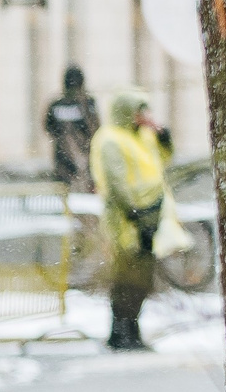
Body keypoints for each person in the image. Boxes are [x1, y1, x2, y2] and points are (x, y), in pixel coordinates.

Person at [91, 89, 169, 352]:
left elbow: (161, 161)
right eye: (139, 110)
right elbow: (115, 181)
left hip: (148, 217)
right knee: (126, 276)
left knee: (142, 277)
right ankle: (121, 332)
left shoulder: (142, 137)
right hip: (127, 219)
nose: (144, 116)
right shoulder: (111, 139)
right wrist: (134, 212)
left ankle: (131, 330)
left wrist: (163, 136)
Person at [43, 64, 98, 190]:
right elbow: (95, 128)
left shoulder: (56, 104)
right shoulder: (88, 103)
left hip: (62, 160)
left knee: (64, 195)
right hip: (85, 160)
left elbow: (48, 127)